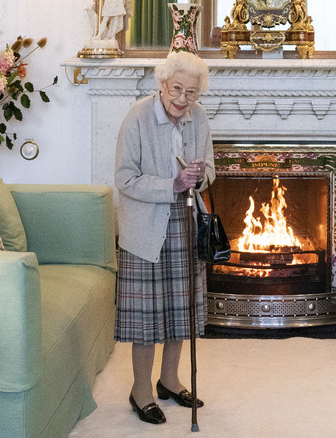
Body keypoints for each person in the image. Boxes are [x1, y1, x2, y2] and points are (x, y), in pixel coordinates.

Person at [113, 51, 213, 425]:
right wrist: (171, 184)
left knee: (179, 310)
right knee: (147, 317)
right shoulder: (138, 116)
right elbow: (124, 178)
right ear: (162, 84)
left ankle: (169, 381)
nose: (183, 100)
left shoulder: (198, 117)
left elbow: (211, 169)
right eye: (177, 89)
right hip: (145, 227)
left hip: (186, 222)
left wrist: (199, 176)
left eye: (191, 92)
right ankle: (140, 390)